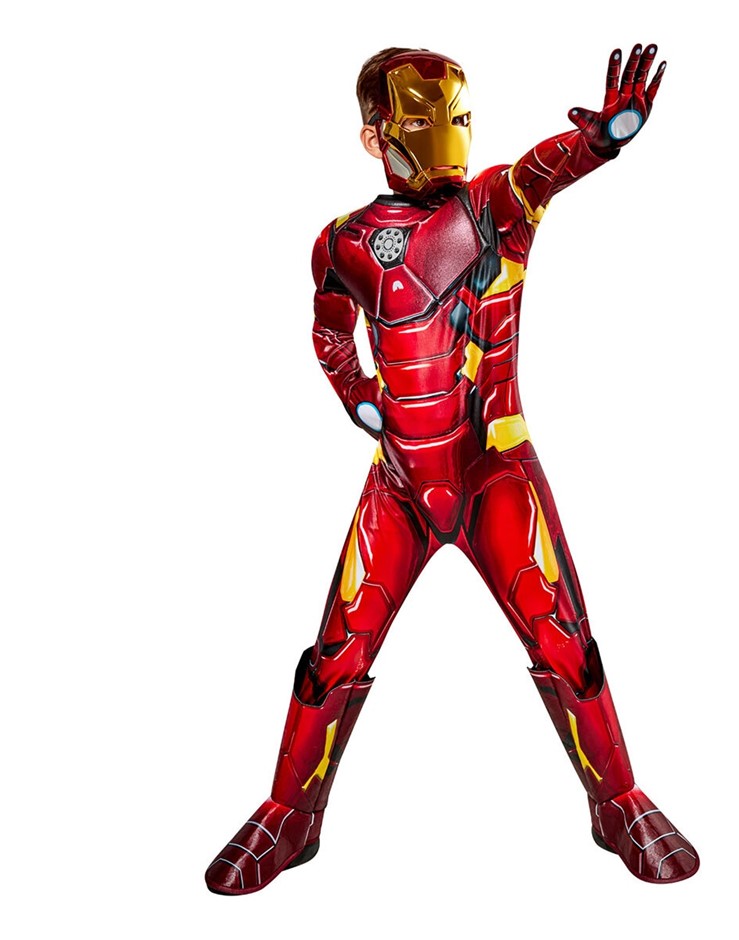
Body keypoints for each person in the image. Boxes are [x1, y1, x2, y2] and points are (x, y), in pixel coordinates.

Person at [205, 44, 698, 896]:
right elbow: (328, 330)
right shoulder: (342, 241)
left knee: (565, 642)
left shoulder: (495, 207)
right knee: (335, 654)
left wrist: (603, 139)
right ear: (375, 135)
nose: (447, 134)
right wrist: (360, 397)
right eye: (423, 118)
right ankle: (290, 811)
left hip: (494, 469)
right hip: (399, 480)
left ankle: (617, 800)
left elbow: (542, 170)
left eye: (457, 115)